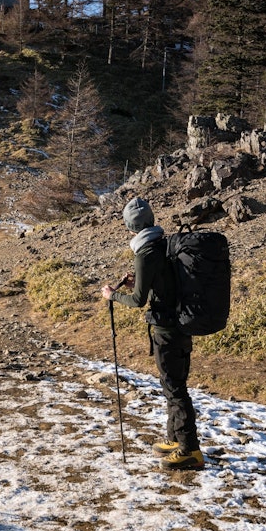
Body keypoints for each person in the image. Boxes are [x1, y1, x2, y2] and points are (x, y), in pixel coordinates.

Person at [101, 197, 204, 471]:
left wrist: (113, 296)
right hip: (180, 324)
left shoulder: (145, 252)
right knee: (174, 384)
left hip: (166, 329)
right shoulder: (163, 243)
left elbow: (137, 301)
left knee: (174, 387)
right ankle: (175, 439)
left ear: (129, 225)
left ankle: (190, 450)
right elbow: (163, 283)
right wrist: (141, 280)